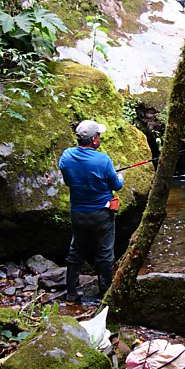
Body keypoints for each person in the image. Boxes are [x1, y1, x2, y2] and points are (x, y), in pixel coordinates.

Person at [58, 119, 124, 304]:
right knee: (105, 253)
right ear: (94, 139)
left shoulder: (66, 156)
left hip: (78, 213)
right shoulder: (103, 160)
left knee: (75, 251)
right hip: (102, 214)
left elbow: (68, 179)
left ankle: (71, 293)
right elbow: (116, 185)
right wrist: (120, 176)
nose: (100, 138)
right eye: (99, 136)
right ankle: (105, 293)